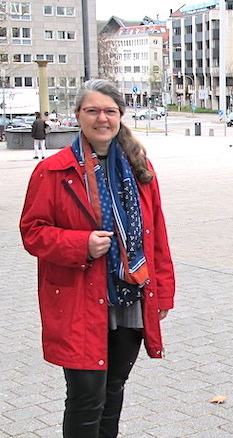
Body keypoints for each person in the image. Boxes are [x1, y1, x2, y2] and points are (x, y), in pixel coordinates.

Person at [19, 79, 176, 438]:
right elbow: (32, 232)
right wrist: (80, 244)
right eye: (92, 110)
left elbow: (157, 236)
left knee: (114, 388)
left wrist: (163, 293)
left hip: (129, 295)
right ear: (78, 115)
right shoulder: (53, 171)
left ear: (120, 115)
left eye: (109, 111)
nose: (101, 118)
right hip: (78, 298)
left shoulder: (140, 168)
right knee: (86, 396)